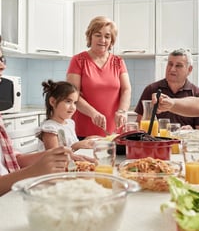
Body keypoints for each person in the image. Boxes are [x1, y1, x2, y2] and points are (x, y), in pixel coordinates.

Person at [0, 36, 71, 196]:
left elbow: (12, 160)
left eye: (2, 58)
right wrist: (34, 171)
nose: (2, 65)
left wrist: (51, 156)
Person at [67, 16, 131, 139]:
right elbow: (73, 95)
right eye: (98, 35)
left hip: (114, 131)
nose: (102, 40)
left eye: (107, 36)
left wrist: (122, 111)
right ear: (90, 36)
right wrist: (93, 114)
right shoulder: (78, 60)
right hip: (84, 130)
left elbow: (126, 89)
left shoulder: (118, 62)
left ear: (111, 40)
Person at [135, 48, 199, 129]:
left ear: (189, 69)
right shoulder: (151, 89)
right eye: (170, 64)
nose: (172, 69)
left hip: (184, 141)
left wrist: (192, 131)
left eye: (178, 65)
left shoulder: (197, 94)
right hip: (156, 141)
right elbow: (139, 124)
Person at [37, 79, 95, 162]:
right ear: (53, 102)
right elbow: (55, 157)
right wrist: (76, 146)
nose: (73, 107)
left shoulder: (70, 123)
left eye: (75, 103)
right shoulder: (49, 129)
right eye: (68, 101)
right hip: (55, 171)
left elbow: (71, 144)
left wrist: (86, 140)